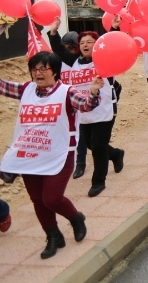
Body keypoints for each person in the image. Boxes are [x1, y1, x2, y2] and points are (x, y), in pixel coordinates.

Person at [0, 52, 97, 259]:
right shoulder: (26, 90)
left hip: (59, 154)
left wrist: (94, 92)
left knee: (51, 198)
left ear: (55, 71)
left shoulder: (66, 92)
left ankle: (75, 218)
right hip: (30, 154)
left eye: (44, 68)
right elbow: (2, 85)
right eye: (35, 69)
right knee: (37, 199)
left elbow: (86, 104)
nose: (38, 73)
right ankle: (53, 236)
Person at [48, 19, 124, 197]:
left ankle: (98, 182)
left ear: (97, 45)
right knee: (91, 144)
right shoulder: (74, 61)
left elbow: (111, 42)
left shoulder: (105, 60)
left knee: (97, 146)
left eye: (90, 42)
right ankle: (116, 154)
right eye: (82, 42)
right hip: (83, 111)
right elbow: (59, 49)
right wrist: (53, 32)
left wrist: (114, 27)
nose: (85, 45)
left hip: (104, 110)